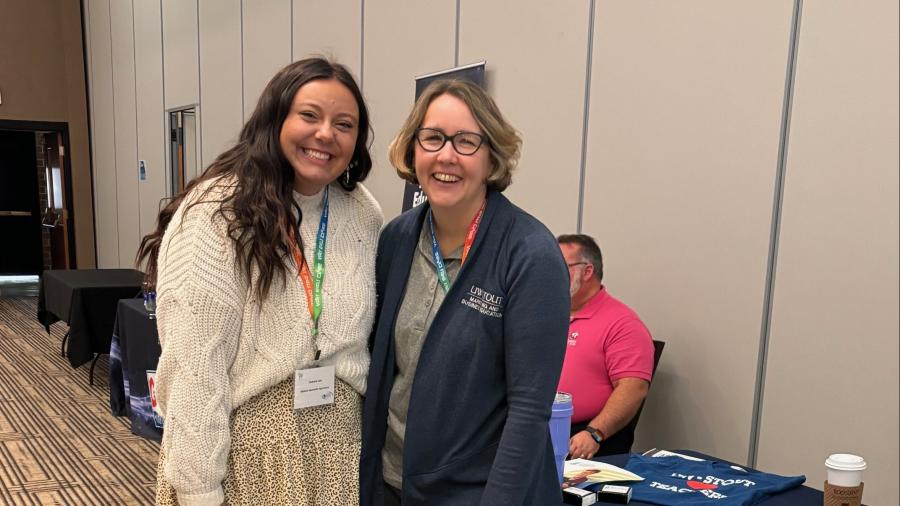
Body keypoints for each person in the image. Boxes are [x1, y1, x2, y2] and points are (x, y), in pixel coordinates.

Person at [136, 57, 383, 506]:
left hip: (343, 452)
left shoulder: (362, 212)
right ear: (275, 118)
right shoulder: (216, 214)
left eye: (344, 123)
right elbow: (194, 371)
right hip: (251, 457)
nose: (326, 133)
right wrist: (199, 491)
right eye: (309, 115)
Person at [359, 79, 570, 506]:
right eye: (433, 138)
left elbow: (529, 413)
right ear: (413, 149)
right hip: (393, 484)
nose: (446, 156)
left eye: (466, 141)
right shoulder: (396, 240)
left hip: (481, 493)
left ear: (492, 156)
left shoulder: (529, 254)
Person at [556, 234, 655, 460]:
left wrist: (594, 434)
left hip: (586, 438)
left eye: (559, 266)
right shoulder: (545, 313)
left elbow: (633, 388)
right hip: (534, 429)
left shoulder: (622, 324)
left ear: (587, 271)